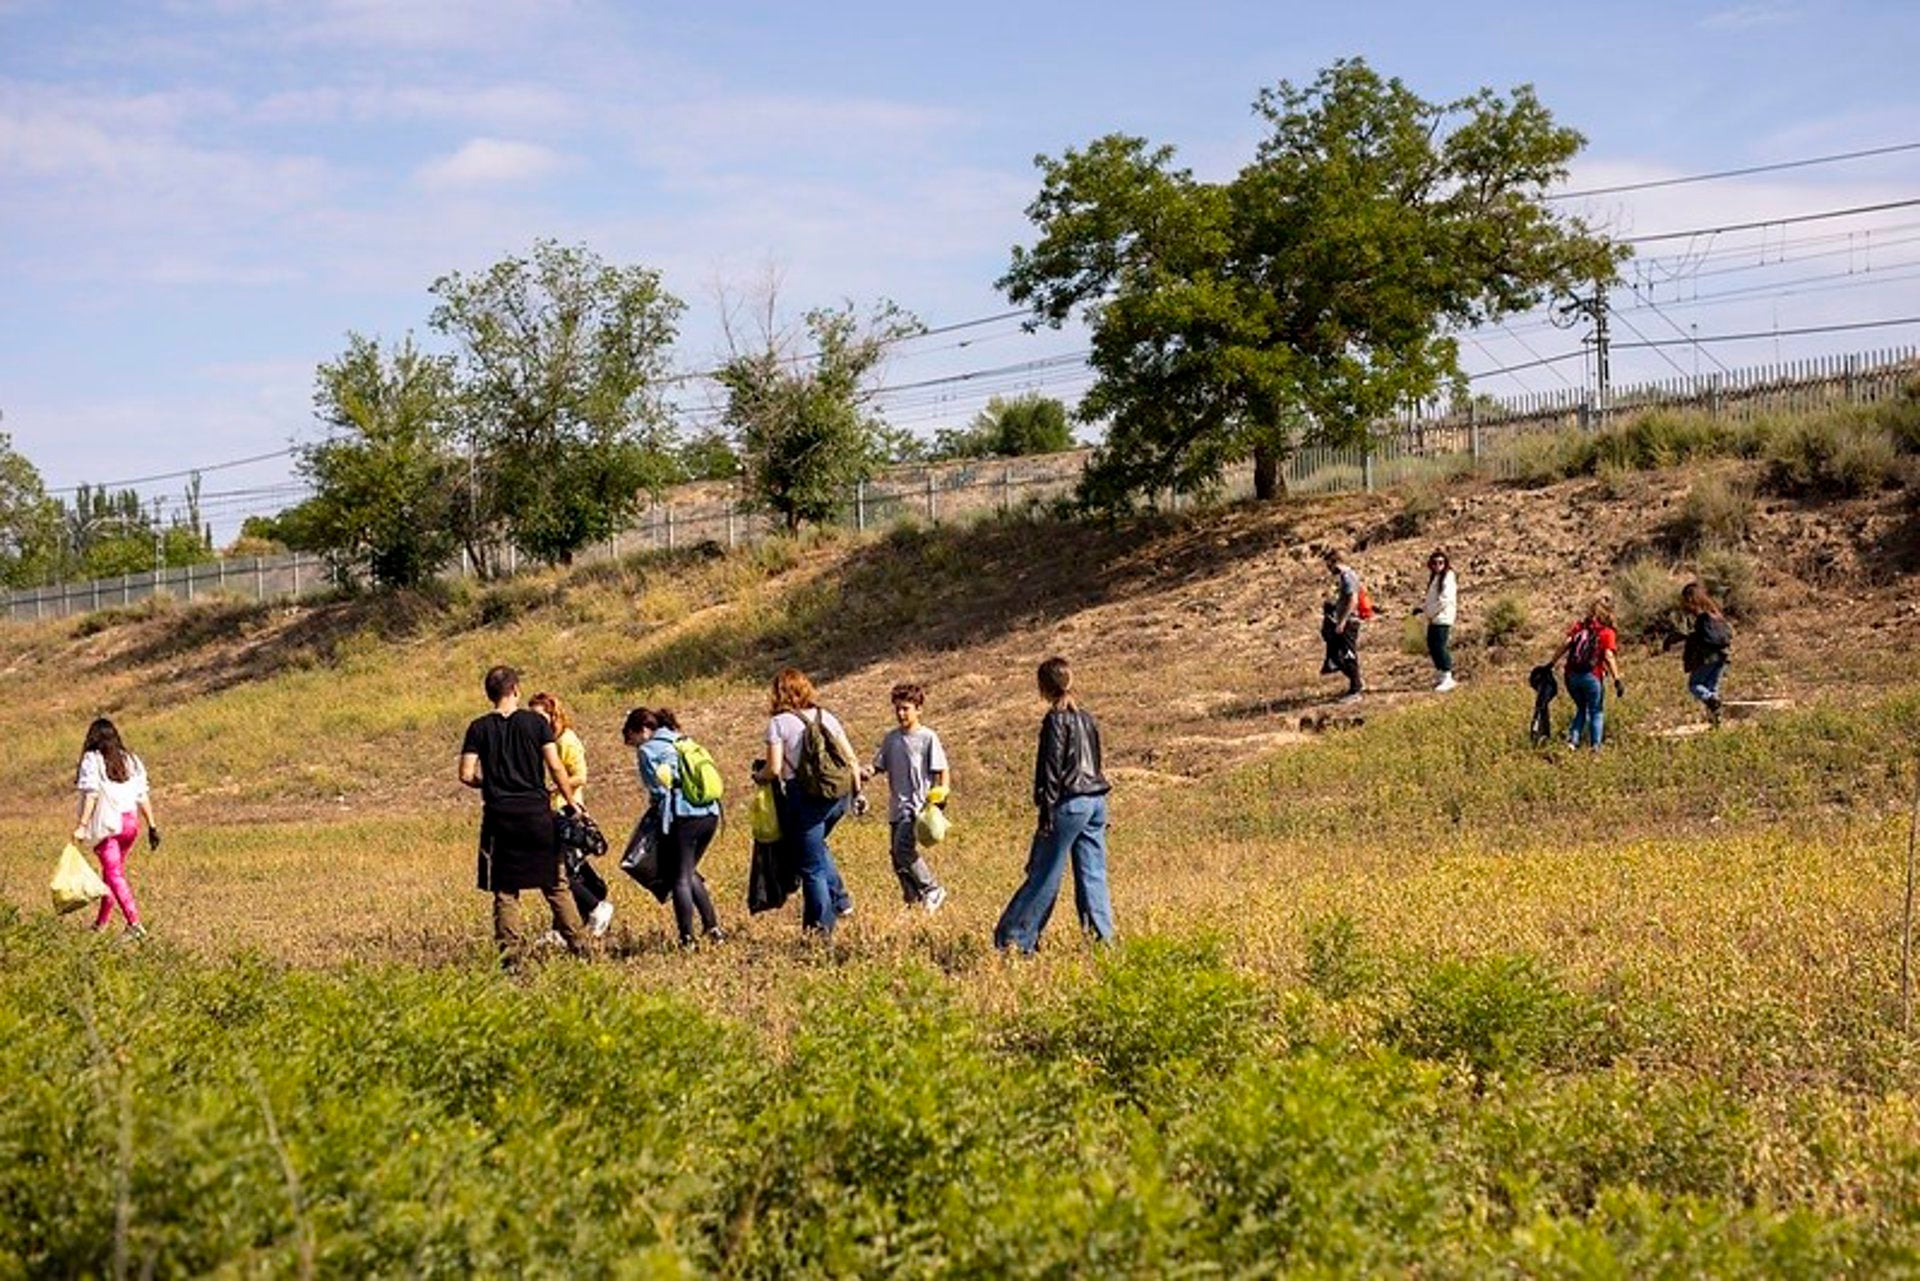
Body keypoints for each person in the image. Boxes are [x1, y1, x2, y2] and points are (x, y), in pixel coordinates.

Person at [459, 665, 589, 960]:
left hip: (499, 817)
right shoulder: (536, 723)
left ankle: (511, 957)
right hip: (536, 813)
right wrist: (571, 802)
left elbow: (466, 774)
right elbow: (556, 767)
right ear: (516, 690)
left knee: (505, 890)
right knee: (556, 884)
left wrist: (491, 784)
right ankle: (581, 949)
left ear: (489, 694)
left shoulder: (478, 728)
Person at [994, 656, 1115, 953]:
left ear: (1043, 687)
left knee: (1044, 873)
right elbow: (1096, 762)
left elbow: (1051, 769)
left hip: (1068, 802)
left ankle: (1015, 940)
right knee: (1092, 873)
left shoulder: (1055, 719)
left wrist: (1046, 812)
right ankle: (1104, 943)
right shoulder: (1086, 718)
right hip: (1096, 801)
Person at [753, 667, 861, 935]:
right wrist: (857, 794)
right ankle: (841, 901)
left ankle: (822, 930)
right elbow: (851, 759)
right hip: (837, 795)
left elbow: (775, 768)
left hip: (805, 797)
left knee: (811, 867)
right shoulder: (827, 716)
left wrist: (759, 776)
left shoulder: (778, 723)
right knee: (816, 847)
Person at [625, 706, 725, 947]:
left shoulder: (648, 750)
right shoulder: (683, 739)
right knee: (688, 871)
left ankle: (687, 938)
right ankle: (713, 929)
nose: (634, 744)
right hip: (710, 813)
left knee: (679, 877)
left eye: (632, 738)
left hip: (683, 815)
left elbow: (657, 789)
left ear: (643, 730)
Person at [527, 691, 613, 938]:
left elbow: (580, 775)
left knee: (558, 870)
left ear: (552, 714)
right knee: (566, 869)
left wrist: (554, 787)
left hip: (567, 809)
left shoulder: (566, 740)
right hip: (550, 810)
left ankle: (595, 907)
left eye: (539, 715)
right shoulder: (542, 741)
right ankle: (565, 925)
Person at [865, 682, 950, 914]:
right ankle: (913, 903)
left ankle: (932, 888)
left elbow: (942, 771)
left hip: (917, 807)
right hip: (897, 807)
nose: (901, 713)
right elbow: (878, 764)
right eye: (898, 709)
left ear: (918, 709)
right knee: (896, 857)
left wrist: (940, 799)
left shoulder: (927, 738)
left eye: (906, 708)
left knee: (903, 849)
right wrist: (867, 772)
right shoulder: (891, 738)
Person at [71, 717, 159, 939]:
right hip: (130, 824)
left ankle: (134, 923)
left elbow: (91, 794)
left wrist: (82, 826)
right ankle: (100, 924)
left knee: (114, 874)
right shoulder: (131, 760)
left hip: (108, 825)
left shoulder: (92, 760)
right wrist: (152, 825)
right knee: (111, 874)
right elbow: (142, 796)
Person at [1546, 598, 1623, 751]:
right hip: (1592, 676)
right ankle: (1596, 747)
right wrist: (1617, 679)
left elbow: (1565, 644)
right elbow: (1608, 656)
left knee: (1581, 708)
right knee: (1596, 711)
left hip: (1571, 676)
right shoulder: (1607, 632)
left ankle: (1572, 742)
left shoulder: (1579, 627)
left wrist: (1550, 664)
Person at [1678, 581, 1732, 726]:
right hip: (1723, 656)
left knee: (1695, 685)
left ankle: (1712, 701)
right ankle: (1716, 723)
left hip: (1708, 657)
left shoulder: (1702, 617)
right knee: (1712, 688)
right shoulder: (1717, 614)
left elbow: (1700, 639)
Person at [1320, 549, 1365, 702]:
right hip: (1343, 621)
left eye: (1328, 564)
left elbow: (1353, 601)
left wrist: (1342, 621)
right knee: (1336, 657)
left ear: (1334, 562)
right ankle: (1356, 681)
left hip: (1349, 623)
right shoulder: (1344, 577)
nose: (1328, 568)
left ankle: (1356, 690)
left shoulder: (1348, 576)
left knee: (1348, 655)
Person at [1414, 548, 1458, 693]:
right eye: (1435, 562)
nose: (1438, 565)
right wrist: (1422, 609)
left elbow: (1444, 600)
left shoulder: (1448, 577)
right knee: (1432, 645)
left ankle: (1448, 677)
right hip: (1434, 617)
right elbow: (1432, 599)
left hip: (1442, 617)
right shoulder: (1435, 578)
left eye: (1441, 562)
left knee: (1439, 646)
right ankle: (1441, 674)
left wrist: (1430, 612)